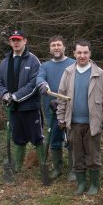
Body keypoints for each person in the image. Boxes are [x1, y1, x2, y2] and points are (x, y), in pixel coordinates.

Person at [56, 39, 103, 195]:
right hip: (73, 123)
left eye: (85, 52)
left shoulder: (99, 74)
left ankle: (94, 185)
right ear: (74, 53)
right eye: (79, 52)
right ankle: (81, 184)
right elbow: (61, 97)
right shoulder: (68, 72)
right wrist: (60, 117)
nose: (82, 55)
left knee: (93, 156)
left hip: (93, 123)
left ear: (90, 53)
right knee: (77, 155)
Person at [0, 30, 45, 174]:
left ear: (25, 41)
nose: (16, 43)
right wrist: (4, 94)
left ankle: (43, 166)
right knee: (18, 138)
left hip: (30, 108)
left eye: (18, 40)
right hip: (13, 109)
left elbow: (34, 83)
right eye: (13, 40)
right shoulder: (5, 62)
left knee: (37, 138)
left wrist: (15, 96)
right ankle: (17, 168)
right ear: (10, 42)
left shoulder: (33, 60)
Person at [36, 35, 76, 182]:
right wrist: (43, 86)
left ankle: (74, 170)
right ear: (50, 48)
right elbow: (39, 79)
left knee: (72, 139)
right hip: (51, 109)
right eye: (53, 45)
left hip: (71, 109)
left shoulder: (73, 64)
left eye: (59, 44)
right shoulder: (44, 66)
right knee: (54, 140)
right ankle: (58, 168)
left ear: (64, 47)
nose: (56, 47)